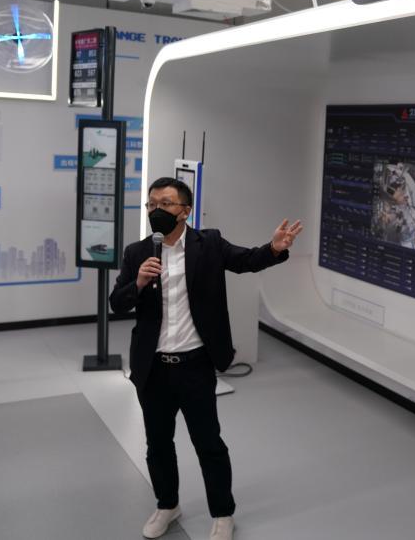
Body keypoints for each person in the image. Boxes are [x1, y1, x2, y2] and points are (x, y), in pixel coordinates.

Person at [110, 178, 302, 540]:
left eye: (165, 204)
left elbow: (246, 261)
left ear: (185, 211)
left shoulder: (209, 243)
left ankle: (223, 513)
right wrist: (138, 283)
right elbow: (117, 303)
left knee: (209, 444)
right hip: (152, 368)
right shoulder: (137, 252)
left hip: (195, 366)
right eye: (151, 204)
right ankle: (167, 505)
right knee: (158, 444)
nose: (156, 210)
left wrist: (274, 249)